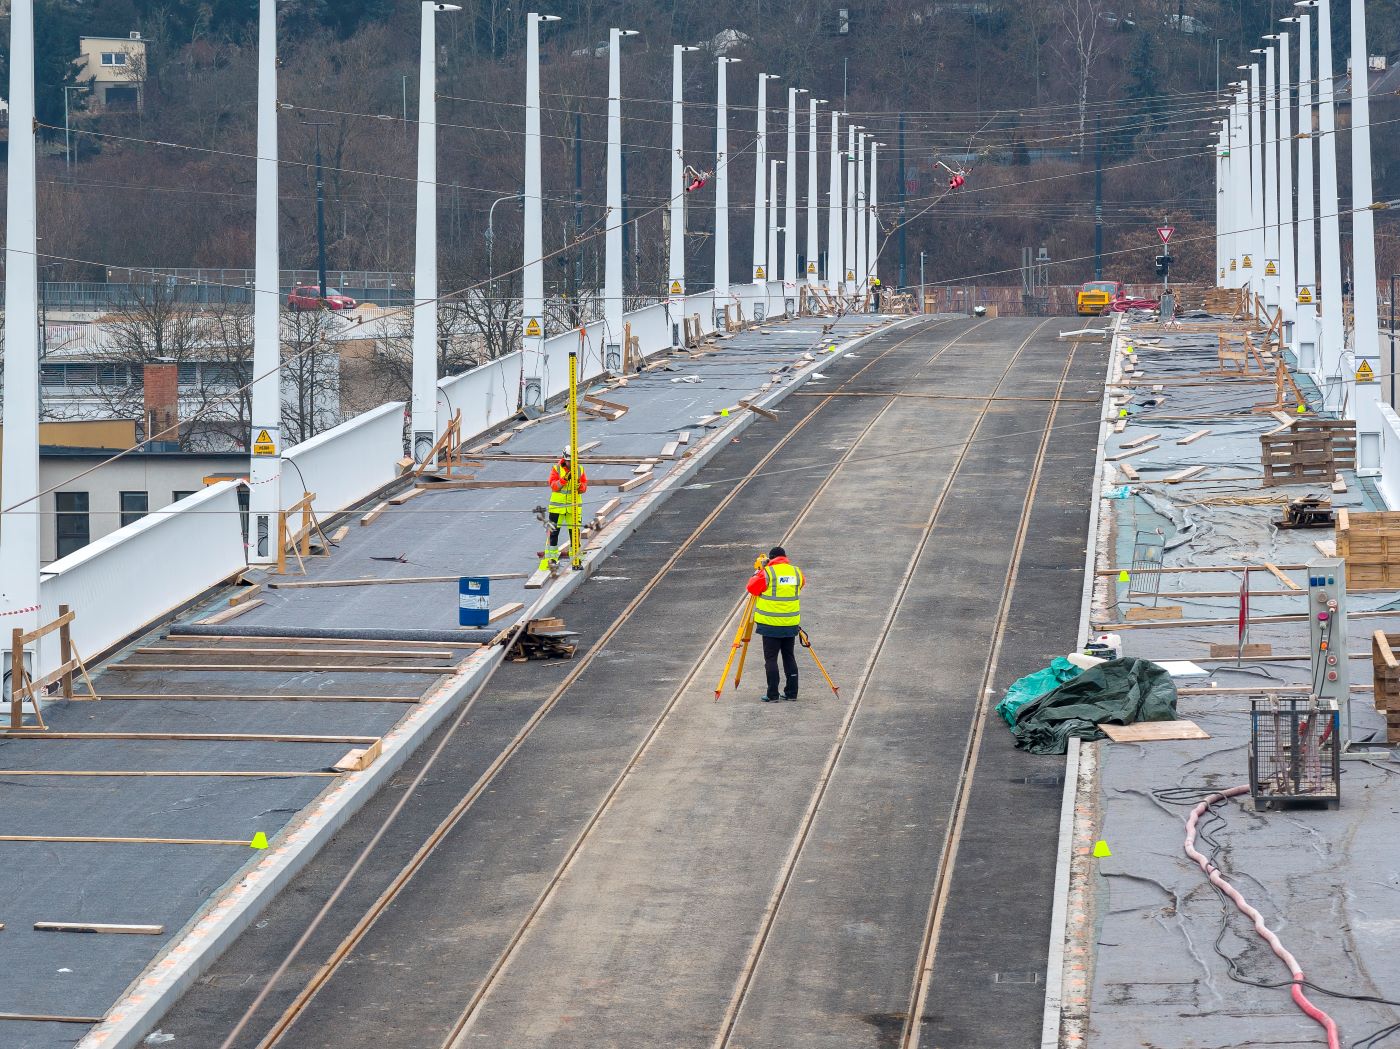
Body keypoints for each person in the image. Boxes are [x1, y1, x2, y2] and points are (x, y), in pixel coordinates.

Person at [746, 546, 806, 702]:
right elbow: (800, 585)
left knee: (771, 659)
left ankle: (772, 694)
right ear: (785, 557)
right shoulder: (796, 572)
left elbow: (751, 588)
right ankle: (792, 693)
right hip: (790, 623)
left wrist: (759, 571)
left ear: (770, 559)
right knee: (789, 656)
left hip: (771, 624)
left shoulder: (767, 573)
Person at [541, 446, 587, 569]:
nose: (570, 463)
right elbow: (554, 486)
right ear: (564, 459)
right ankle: (551, 560)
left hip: (573, 508)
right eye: (568, 461)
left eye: (572, 461)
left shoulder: (579, 469)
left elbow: (584, 487)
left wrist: (579, 486)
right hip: (557, 508)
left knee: (575, 535)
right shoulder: (556, 469)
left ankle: (576, 560)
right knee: (553, 534)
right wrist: (564, 480)